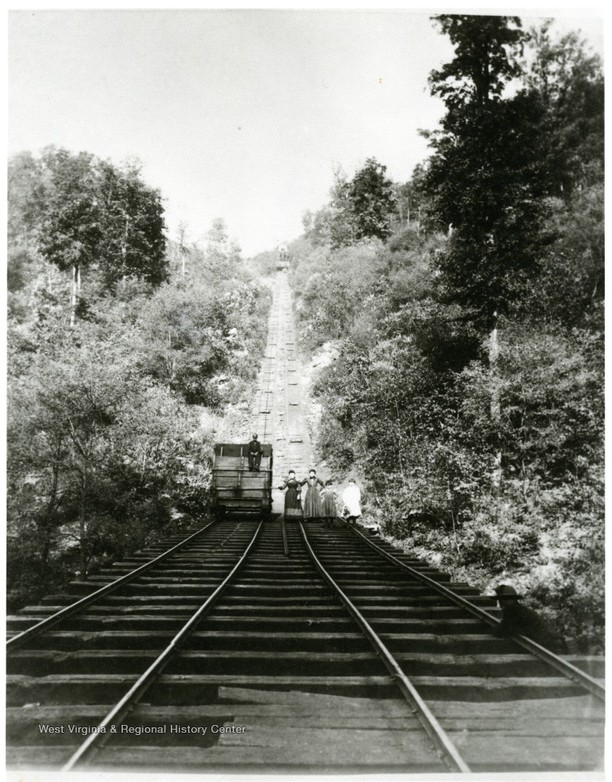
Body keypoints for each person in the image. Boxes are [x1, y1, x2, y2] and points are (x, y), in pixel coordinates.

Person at [494, 584, 567, 654]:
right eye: (502, 599)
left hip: (546, 645)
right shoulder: (518, 610)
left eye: (507, 599)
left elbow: (501, 631)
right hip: (544, 642)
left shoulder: (513, 611)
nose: (502, 602)